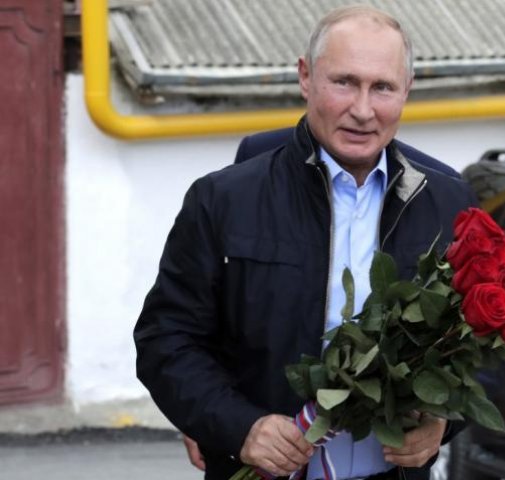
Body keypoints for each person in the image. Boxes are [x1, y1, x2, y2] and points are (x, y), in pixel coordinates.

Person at [134, 5, 477, 480]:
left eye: (382, 87)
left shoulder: (448, 202)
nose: (363, 110)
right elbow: (167, 340)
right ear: (305, 77)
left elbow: (481, 346)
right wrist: (239, 427)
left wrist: (444, 420)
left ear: (407, 90)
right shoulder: (224, 199)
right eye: (344, 82)